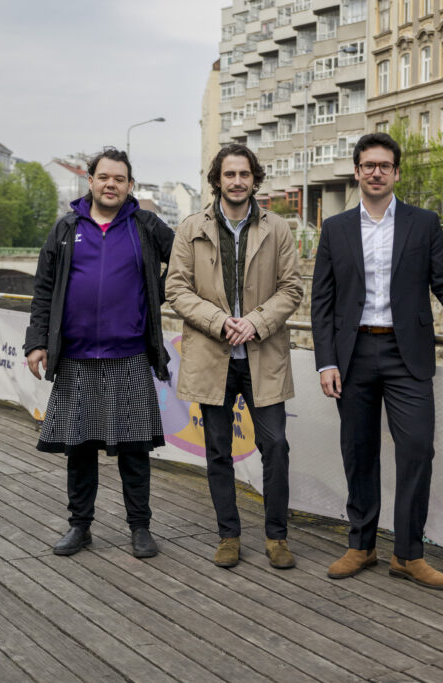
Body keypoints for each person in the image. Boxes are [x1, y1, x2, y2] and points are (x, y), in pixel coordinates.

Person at [311, 132, 443, 590]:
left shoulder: (423, 224)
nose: (376, 172)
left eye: (384, 165)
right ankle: (361, 544)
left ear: (397, 173)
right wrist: (326, 362)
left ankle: (407, 553)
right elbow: (322, 302)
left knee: (418, 449)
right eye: (368, 165)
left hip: (407, 356)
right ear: (357, 172)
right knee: (358, 453)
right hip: (353, 355)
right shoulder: (336, 228)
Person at [24, 147, 174, 559]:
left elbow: (184, 262)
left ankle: (140, 528)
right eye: (104, 177)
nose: (111, 185)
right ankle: (80, 526)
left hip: (128, 355)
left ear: (129, 186)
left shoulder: (144, 225)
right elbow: (43, 290)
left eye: (120, 179)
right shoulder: (65, 228)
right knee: (80, 447)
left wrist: (153, 294)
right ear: (90, 181)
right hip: (76, 357)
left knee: (134, 448)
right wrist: (37, 342)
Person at [166, 144, 303, 569]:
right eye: (230, 175)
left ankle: (276, 537)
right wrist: (220, 321)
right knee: (218, 451)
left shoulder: (278, 229)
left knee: (275, 445)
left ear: (254, 179)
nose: (238, 181)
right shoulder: (191, 228)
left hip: (263, 356)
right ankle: (229, 535)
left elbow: (292, 289)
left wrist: (256, 322)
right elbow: (176, 289)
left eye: (245, 174)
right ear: (218, 180)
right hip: (213, 356)